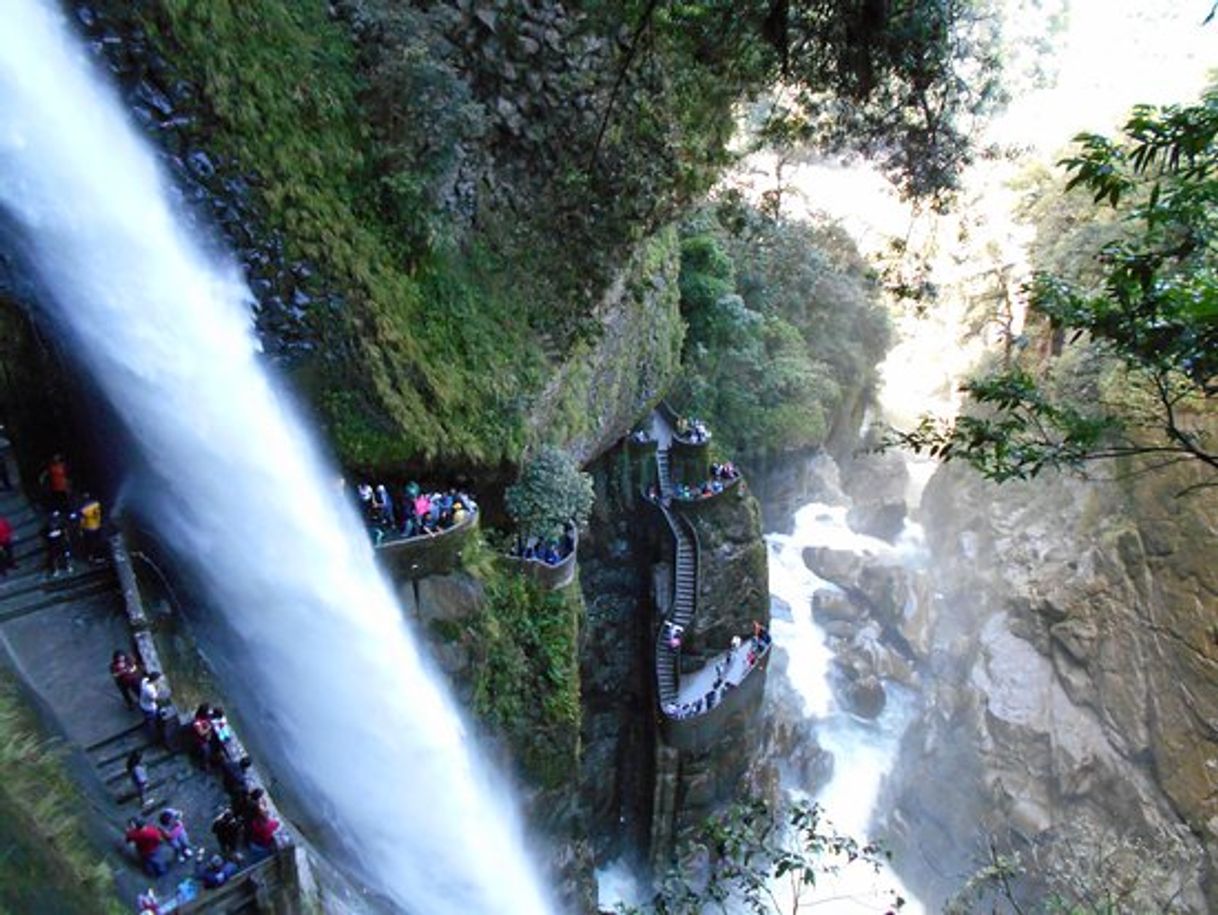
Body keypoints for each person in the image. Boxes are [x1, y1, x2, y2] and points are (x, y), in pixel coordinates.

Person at [43, 510, 72, 577]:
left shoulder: (61, 526)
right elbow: (44, 536)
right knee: (54, 557)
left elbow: (65, 534)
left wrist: (66, 540)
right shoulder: (47, 529)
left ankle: (68, 566)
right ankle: (56, 569)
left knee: (65, 555)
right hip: (53, 545)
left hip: (61, 544)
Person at [76, 492, 103, 562]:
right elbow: (98, 514)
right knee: (98, 541)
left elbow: (81, 520)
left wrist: (81, 529)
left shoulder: (81, 507)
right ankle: (99, 555)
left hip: (88, 527)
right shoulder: (96, 503)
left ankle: (91, 556)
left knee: (89, 543)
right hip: (97, 526)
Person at [138, 671, 165, 736]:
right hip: (150, 709)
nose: (160, 681)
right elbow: (155, 698)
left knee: (147, 718)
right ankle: (154, 734)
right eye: (159, 680)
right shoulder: (150, 690)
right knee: (152, 722)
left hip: (142, 704)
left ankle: (148, 723)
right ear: (155, 680)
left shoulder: (145, 680)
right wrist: (158, 688)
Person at [190, 704, 215, 768]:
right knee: (207, 750)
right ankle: (205, 763)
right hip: (201, 740)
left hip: (207, 736)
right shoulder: (197, 722)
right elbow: (201, 733)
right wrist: (208, 728)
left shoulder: (206, 717)